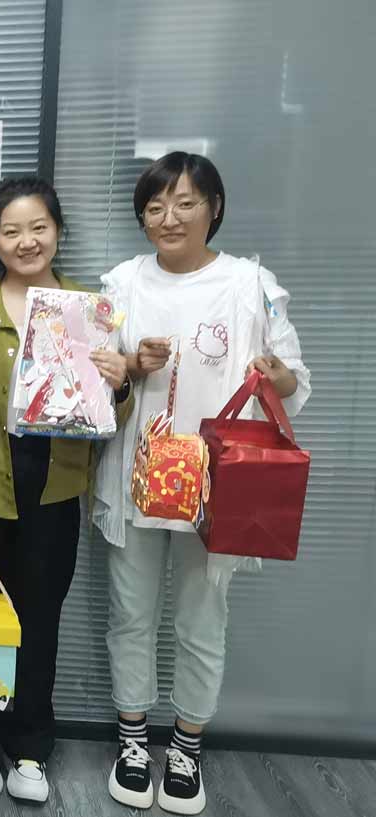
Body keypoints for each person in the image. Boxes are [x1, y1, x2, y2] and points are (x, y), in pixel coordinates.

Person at [95, 152, 309, 815]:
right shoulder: (123, 282)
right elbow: (95, 375)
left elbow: (293, 378)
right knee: (130, 615)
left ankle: (186, 747)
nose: (170, 217)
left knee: (201, 619)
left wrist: (276, 375)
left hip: (220, 484)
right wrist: (133, 363)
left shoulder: (250, 284)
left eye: (186, 203)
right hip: (139, 476)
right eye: (155, 207)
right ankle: (133, 742)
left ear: (214, 207)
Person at [0, 175, 131, 804]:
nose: (27, 241)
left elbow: (105, 417)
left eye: (38, 227)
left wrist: (120, 385)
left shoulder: (89, 312)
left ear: (58, 231)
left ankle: (29, 747)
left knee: (39, 622)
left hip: (53, 489)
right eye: (11, 230)